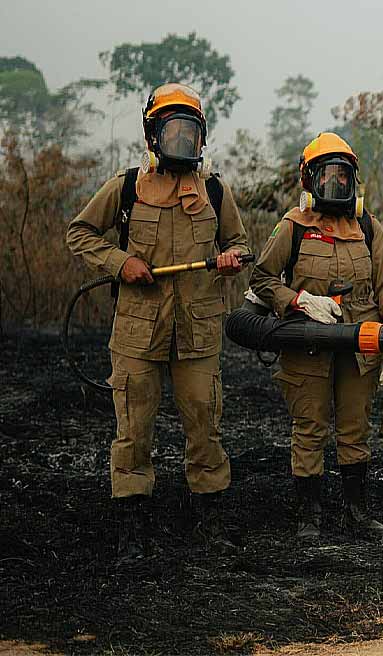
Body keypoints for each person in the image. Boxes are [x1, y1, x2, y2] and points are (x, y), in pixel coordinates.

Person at [66, 83, 249, 560]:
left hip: (198, 332)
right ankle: (132, 526)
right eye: (173, 131)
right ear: (153, 135)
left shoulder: (214, 190)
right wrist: (120, 262)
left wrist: (231, 258)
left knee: (205, 423)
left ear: (201, 136)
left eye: (190, 132)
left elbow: (240, 243)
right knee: (133, 430)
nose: (182, 140)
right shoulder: (127, 187)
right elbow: (80, 233)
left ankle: (210, 519)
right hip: (138, 331)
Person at [248, 132, 383, 540]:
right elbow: (262, 278)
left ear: (353, 180)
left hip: (360, 346)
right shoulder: (294, 226)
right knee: (309, 426)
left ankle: (356, 512)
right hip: (308, 344)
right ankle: (309, 515)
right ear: (310, 179)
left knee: (355, 428)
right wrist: (298, 300)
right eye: (327, 175)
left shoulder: (368, 227)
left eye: (343, 175)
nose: (335, 183)